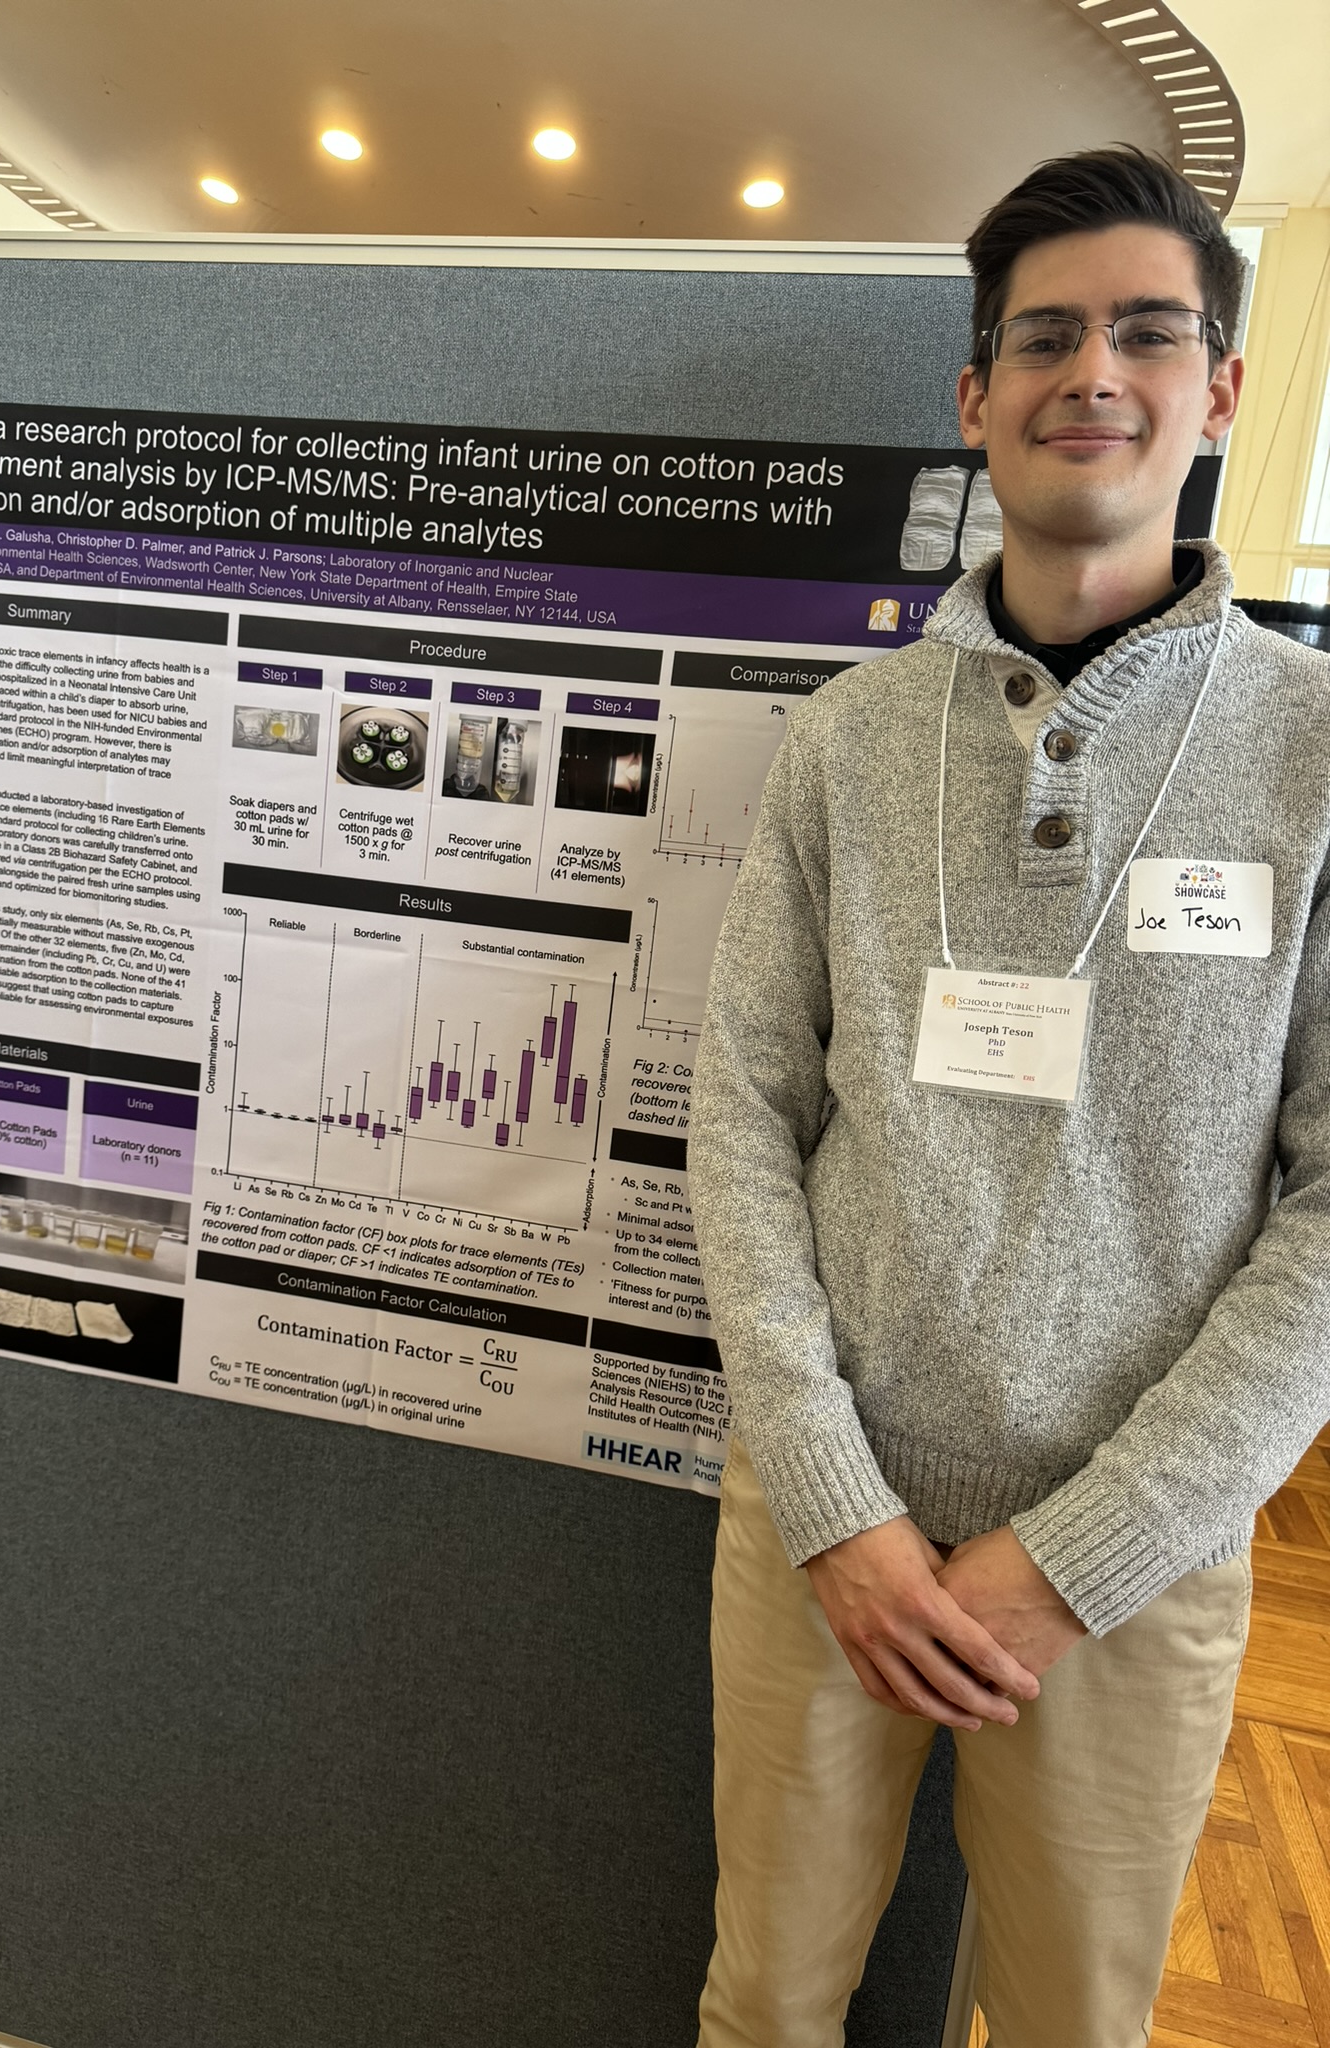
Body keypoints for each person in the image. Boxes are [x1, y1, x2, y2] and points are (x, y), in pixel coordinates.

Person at [688, 145, 1330, 2047]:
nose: (1092, 372)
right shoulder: (848, 736)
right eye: (1043, 337)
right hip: (827, 1538)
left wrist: (1077, 1562)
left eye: (1148, 329)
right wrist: (834, 1505)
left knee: (1068, 2023)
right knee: (767, 2004)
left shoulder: (1310, 759)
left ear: (1219, 385)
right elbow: (737, 1111)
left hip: (1132, 1563)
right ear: (975, 399)